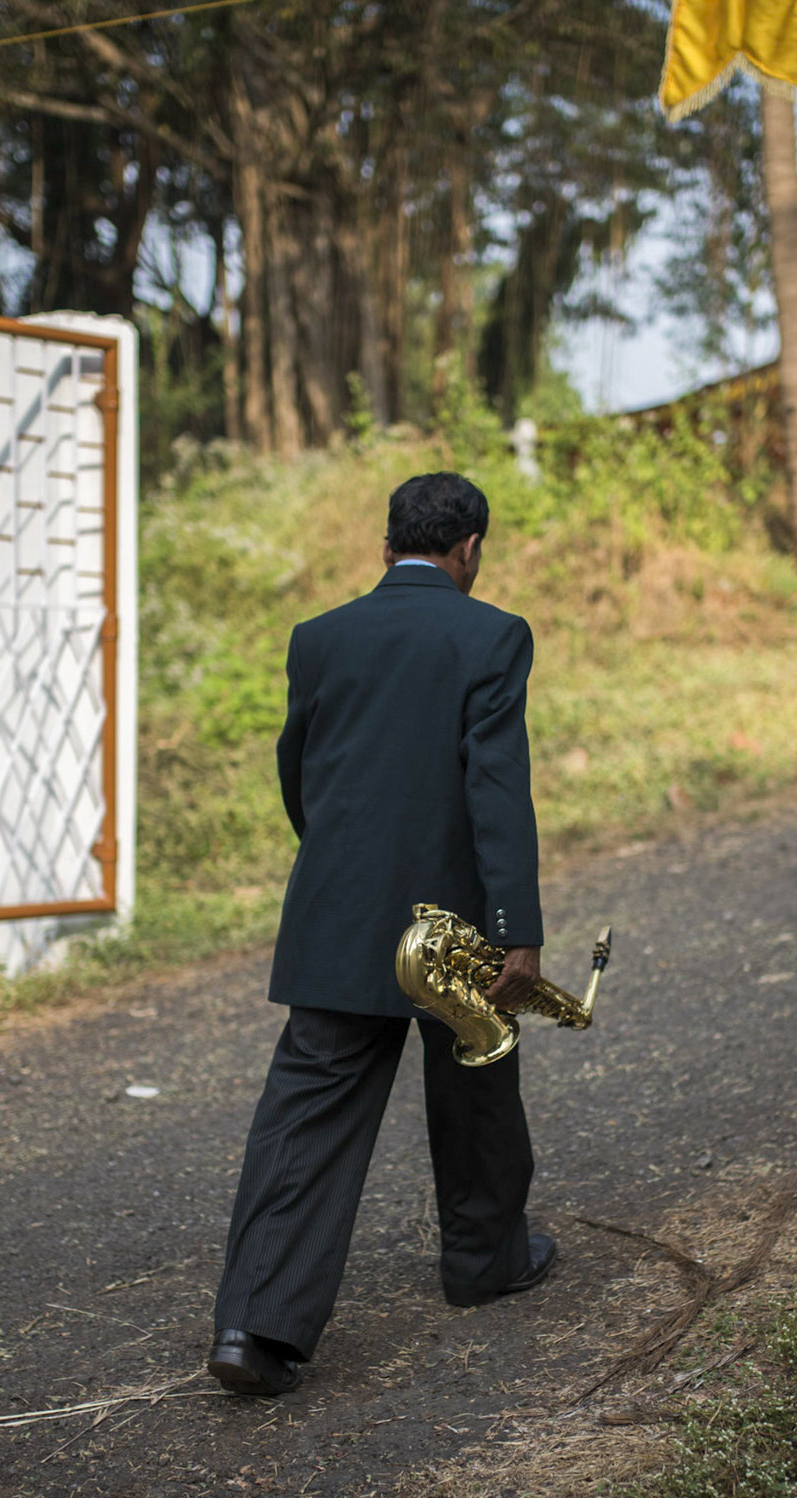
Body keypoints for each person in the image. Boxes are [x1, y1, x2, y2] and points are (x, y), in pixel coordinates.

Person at [206, 472, 558, 1396]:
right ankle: (485, 1265)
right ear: (469, 548)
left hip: (339, 913)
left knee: (308, 1114)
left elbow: (300, 774)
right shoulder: (492, 633)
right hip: (453, 925)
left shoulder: (319, 638)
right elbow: (497, 790)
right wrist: (516, 929)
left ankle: (254, 1326)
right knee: (478, 1082)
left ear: (386, 541)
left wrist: (342, 873)